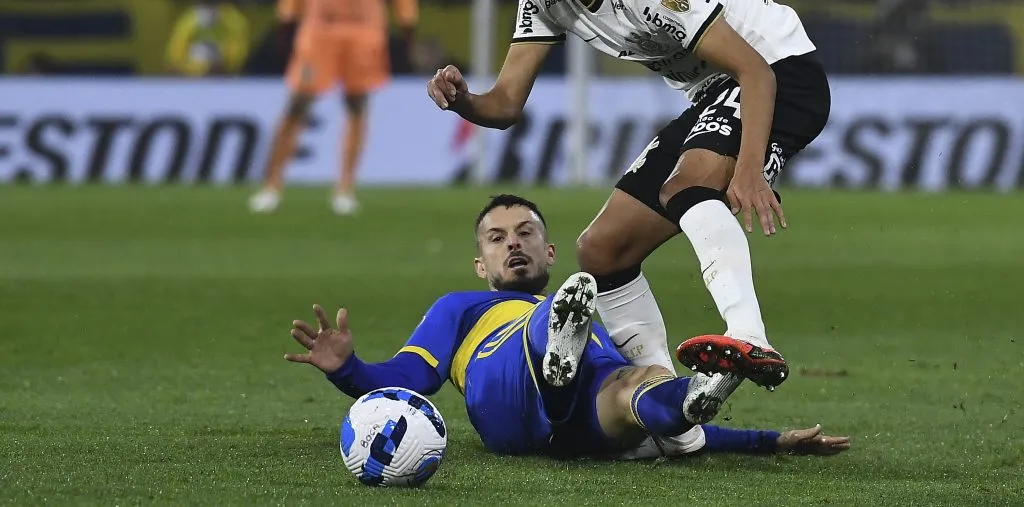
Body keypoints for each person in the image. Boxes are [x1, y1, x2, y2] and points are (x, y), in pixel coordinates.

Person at [426, 0, 832, 403]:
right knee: (602, 251)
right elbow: (504, 105)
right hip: (715, 91)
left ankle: (750, 337)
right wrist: (463, 99)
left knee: (687, 186)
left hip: (779, 72)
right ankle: (659, 400)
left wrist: (749, 168)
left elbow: (755, 71)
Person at [285, 194, 850, 460]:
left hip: (579, 428)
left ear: (549, 250)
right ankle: (555, 359)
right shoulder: (461, 309)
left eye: (525, 233)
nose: (513, 244)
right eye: (498, 238)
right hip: (506, 400)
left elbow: (681, 441)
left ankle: (700, 394)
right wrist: (348, 370)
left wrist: (769, 441)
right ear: (481, 265)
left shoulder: (576, 308)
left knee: (639, 387)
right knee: (558, 319)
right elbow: (408, 380)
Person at [250, 0, 419, 216]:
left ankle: (345, 188)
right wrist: (287, 13)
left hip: (364, 28)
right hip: (320, 26)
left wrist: (407, 17)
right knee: (298, 102)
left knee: (357, 103)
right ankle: (272, 185)